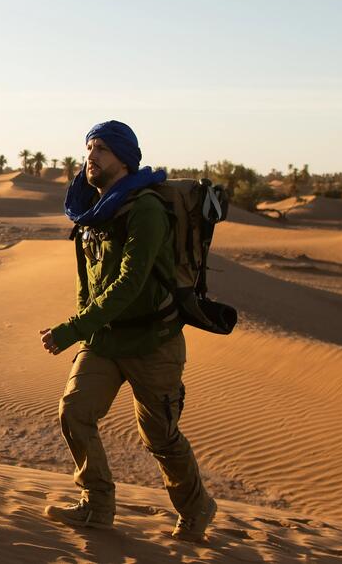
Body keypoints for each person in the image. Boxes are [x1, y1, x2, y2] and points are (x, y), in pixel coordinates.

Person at [39, 120, 218, 541]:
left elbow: (129, 283)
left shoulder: (146, 209)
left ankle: (196, 508)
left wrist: (72, 328)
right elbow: (88, 278)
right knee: (75, 412)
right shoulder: (90, 213)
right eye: (88, 148)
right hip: (105, 338)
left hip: (153, 340)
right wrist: (87, 324)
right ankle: (96, 506)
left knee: (160, 435)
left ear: (124, 157)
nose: (91, 157)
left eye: (101, 149)